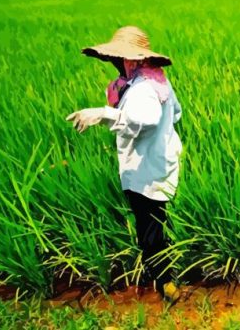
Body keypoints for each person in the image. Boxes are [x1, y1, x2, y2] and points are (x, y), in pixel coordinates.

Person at [66, 26, 182, 302]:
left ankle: (165, 283)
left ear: (134, 60)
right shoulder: (157, 81)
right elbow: (175, 114)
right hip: (156, 161)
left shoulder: (143, 88)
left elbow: (147, 119)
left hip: (146, 170)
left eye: (119, 59)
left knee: (150, 228)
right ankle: (155, 271)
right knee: (153, 223)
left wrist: (104, 114)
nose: (115, 64)